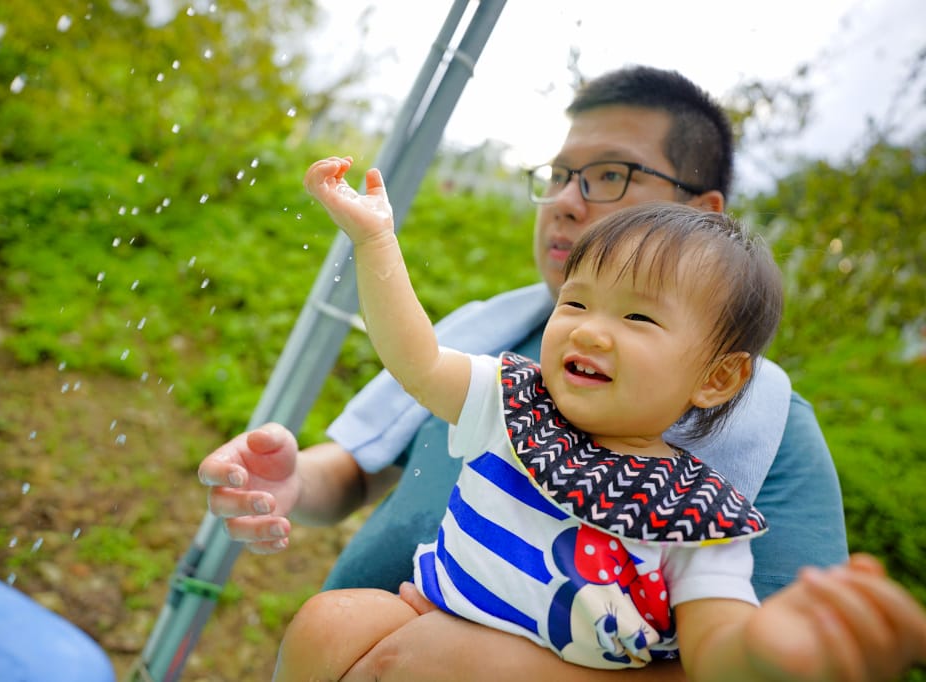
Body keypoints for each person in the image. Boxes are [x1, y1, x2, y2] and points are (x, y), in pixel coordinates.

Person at [199, 67, 926, 680]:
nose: (567, 201)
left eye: (611, 175)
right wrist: (376, 243)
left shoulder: (712, 504)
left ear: (718, 378)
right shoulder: (512, 380)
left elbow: (720, 654)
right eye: (558, 175)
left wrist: (771, 653)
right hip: (368, 643)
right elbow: (400, 386)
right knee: (328, 620)